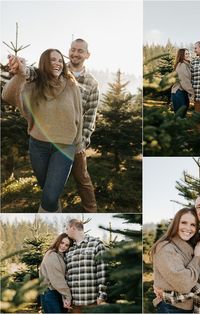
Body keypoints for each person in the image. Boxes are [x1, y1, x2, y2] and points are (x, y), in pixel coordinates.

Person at [9, 38, 99, 213]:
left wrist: (82, 142)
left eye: (80, 50)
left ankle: (91, 210)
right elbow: (33, 73)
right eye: (73, 49)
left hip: (74, 140)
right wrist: (20, 68)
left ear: (87, 55)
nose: (75, 53)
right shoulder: (54, 69)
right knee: (50, 186)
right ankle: (54, 209)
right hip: (46, 139)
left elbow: (89, 115)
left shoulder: (91, 83)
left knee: (82, 178)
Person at [151, 207, 200, 313]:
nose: (188, 228)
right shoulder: (166, 247)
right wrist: (198, 257)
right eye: (184, 222)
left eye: (193, 224)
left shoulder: (190, 245)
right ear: (176, 224)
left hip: (187, 308)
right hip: (172, 308)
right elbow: (184, 284)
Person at [65, 219, 107, 313]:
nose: (66, 231)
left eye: (67, 228)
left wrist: (102, 295)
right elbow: (67, 276)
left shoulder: (96, 244)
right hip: (73, 305)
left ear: (73, 228)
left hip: (92, 303)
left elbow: (102, 272)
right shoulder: (69, 250)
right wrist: (66, 297)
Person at [39, 233, 73, 313]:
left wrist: (63, 297)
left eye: (66, 245)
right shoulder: (52, 255)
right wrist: (68, 296)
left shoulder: (60, 256)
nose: (63, 246)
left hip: (57, 293)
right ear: (58, 241)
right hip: (50, 294)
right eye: (62, 243)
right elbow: (57, 280)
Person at [171, 48, 195, 116]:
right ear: (181, 55)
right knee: (180, 116)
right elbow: (185, 82)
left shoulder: (186, 65)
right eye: (186, 54)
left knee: (182, 115)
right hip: (179, 93)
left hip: (182, 93)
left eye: (188, 53)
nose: (188, 55)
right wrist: (193, 93)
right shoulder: (182, 65)